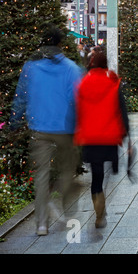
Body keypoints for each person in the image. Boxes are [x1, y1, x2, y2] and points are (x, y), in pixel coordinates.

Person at [10, 24, 83, 236]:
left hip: (39, 128)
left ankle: (41, 223)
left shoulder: (30, 68)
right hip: (64, 129)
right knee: (67, 169)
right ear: (61, 44)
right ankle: (64, 200)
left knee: (41, 174)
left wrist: (14, 123)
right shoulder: (71, 68)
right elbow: (78, 100)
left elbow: (20, 98)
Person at [73, 52, 129, 229]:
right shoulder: (112, 82)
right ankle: (103, 203)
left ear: (91, 64)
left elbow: (77, 110)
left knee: (96, 177)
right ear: (105, 65)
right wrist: (126, 133)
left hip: (90, 137)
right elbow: (122, 110)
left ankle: (99, 211)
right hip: (109, 136)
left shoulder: (82, 84)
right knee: (110, 170)